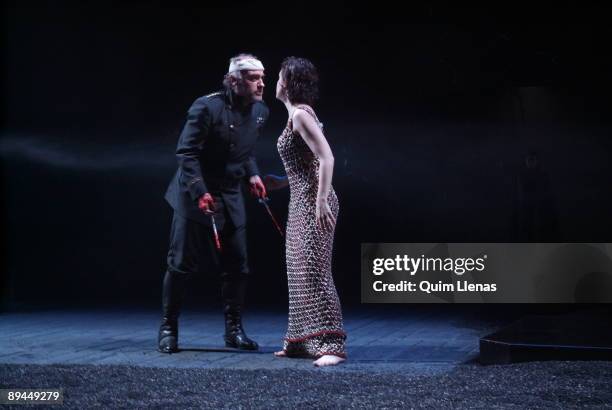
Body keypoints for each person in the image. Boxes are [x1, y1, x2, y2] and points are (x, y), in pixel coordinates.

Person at [158, 54, 269, 354]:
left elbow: (245, 151)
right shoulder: (206, 106)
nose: (261, 83)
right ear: (234, 80)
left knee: (238, 267)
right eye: (253, 78)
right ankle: (169, 328)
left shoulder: (261, 111)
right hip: (195, 193)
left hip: (230, 195)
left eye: (262, 77)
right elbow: (186, 152)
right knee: (180, 265)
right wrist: (200, 191)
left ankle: (234, 331)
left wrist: (253, 174)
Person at [266, 56, 346, 367]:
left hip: (314, 202)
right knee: (298, 271)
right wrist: (282, 181)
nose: (276, 81)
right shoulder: (298, 116)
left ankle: (332, 344)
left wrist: (322, 200)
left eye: (279, 76)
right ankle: (300, 342)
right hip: (301, 199)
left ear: (288, 83)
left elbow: (327, 158)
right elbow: (309, 164)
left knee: (314, 269)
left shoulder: (300, 115)